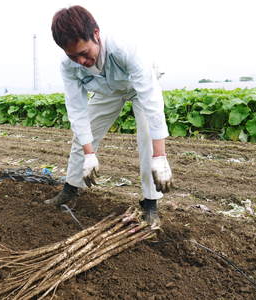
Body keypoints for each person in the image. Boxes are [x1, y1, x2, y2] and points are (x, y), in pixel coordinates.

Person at [46, 5, 173, 228]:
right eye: (73, 56)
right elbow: (77, 110)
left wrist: (160, 157)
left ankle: (150, 204)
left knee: (147, 142)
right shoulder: (69, 67)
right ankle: (70, 189)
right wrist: (89, 154)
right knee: (83, 137)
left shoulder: (124, 49)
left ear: (96, 34)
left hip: (138, 86)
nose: (81, 62)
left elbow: (152, 102)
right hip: (109, 91)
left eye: (84, 54)